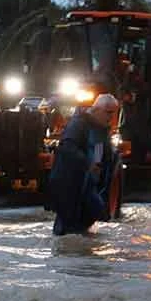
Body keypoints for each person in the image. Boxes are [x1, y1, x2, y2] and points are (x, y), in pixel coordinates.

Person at [49, 93, 120, 236]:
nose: (111, 117)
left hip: (89, 188)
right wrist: (88, 163)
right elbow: (67, 148)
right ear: (96, 109)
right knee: (68, 229)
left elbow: (101, 151)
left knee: (87, 224)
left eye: (113, 113)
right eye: (108, 112)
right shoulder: (78, 124)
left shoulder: (101, 129)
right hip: (72, 187)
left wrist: (101, 166)